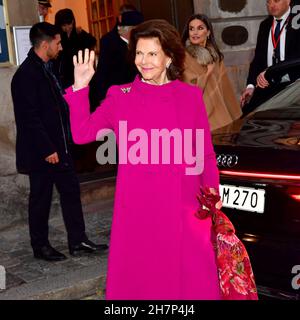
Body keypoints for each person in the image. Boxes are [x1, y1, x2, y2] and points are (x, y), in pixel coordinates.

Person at [64, 19, 223, 299]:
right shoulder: (120, 96)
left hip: (185, 204)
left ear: (169, 56)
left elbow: (204, 152)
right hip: (139, 208)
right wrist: (80, 88)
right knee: (144, 281)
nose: (144, 61)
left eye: (152, 53)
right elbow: (81, 134)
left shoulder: (190, 96)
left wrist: (212, 191)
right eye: (139, 53)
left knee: (189, 280)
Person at [11, 22, 108, 262]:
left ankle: (78, 240)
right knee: (40, 199)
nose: (61, 46)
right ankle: (40, 246)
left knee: (71, 192)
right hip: (43, 151)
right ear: (45, 44)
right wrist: (47, 149)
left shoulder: (48, 67)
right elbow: (28, 119)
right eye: (58, 42)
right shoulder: (25, 75)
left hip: (61, 146)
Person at [182, 14, 242, 131]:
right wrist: (207, 74)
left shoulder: (215, 55)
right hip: (202, 119)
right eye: (191, 29)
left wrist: (233, 113)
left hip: (223, 116)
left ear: (208, 32)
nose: (195, 32)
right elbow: (188, 93)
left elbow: (225, 88)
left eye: (200, 28)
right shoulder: (185, 57)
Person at [241, 0, 300, 116]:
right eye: (269, 2)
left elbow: (296, 60)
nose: (272, 5)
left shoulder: (297, 24)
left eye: (276, 1)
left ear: (288, 1)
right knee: (247, 113)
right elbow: (257, 59)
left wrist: (270, 71)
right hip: (267, 84)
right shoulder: (265, 25)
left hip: (291, 84)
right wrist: (250, 86)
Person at [89, 8, 144, 110]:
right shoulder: (109, 42)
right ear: (131, 29)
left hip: (136, 95)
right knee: (122, 124)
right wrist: (102, 98)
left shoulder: (140, 43)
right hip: (116, 96)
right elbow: (102, 71)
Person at [55, 8, 96, 89]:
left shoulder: (79, 34)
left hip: (80, 73)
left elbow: (93, 41)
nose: (67, 28)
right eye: (64, 25)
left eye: (69, 24)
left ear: (73, 21)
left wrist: (82, 32)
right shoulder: (57, 37)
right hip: (64, 76)